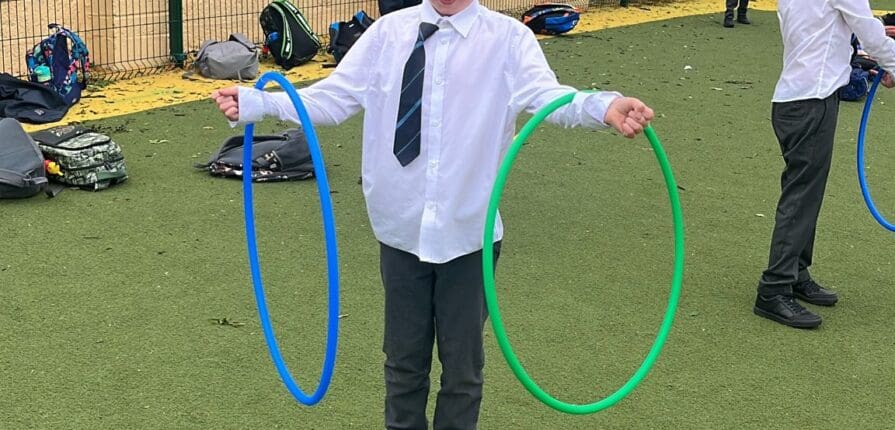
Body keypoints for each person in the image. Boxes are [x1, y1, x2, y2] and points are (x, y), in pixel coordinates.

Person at [212, 0, 653, 427]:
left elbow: (550, 98)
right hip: (401, 233)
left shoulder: (508, 40)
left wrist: (603, 106)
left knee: (462, 368)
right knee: (403, 362)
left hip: (468, 236)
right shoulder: (388, 33)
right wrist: (259, 103)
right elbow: (333, 98)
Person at [754, 0, 895, 329]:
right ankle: (774, 288)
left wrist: (868, 61)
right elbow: (870, 34)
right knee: (802, 195)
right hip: (812, 101)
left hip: (793, 100)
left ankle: (795, 272)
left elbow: (822, 35)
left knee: (806, 191)